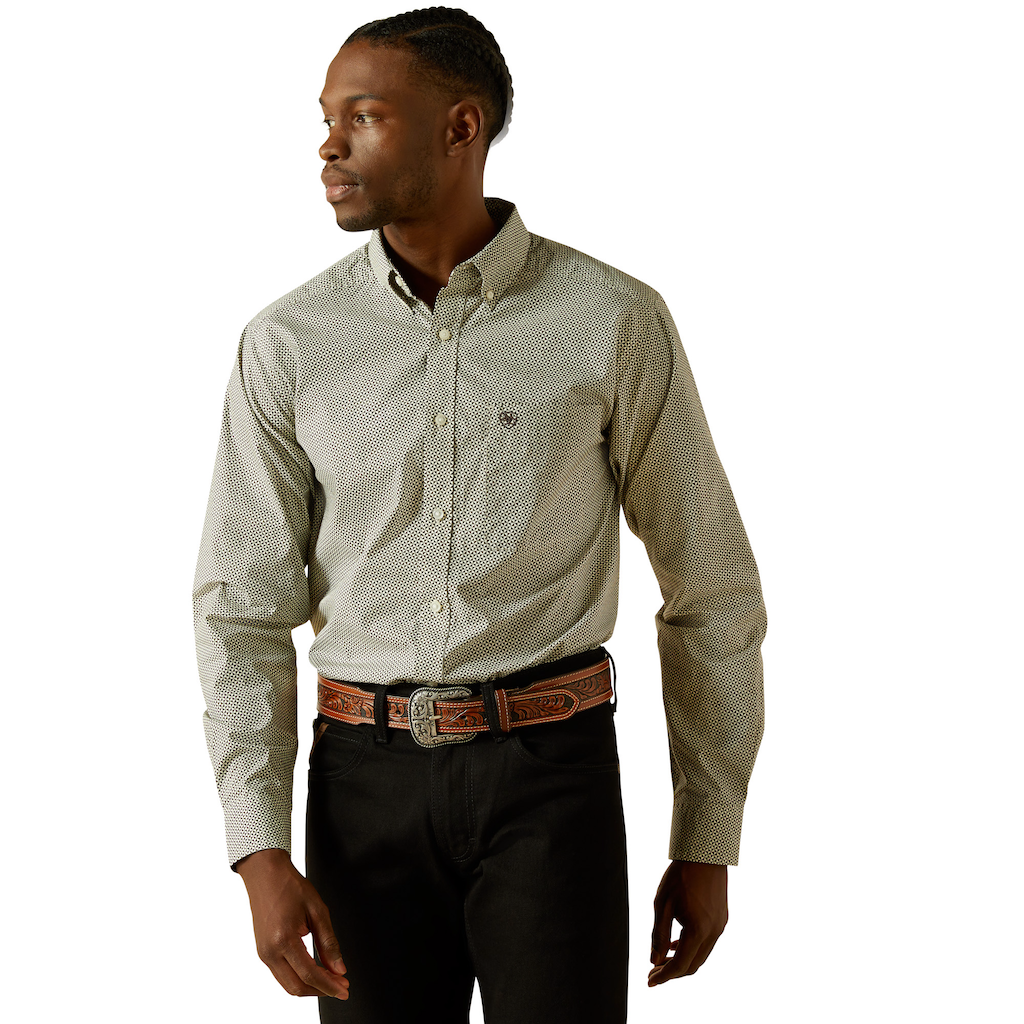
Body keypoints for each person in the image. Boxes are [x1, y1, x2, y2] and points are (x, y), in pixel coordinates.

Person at [191, 8, 767, 1023]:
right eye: (327, 119)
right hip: (360, 794)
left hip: (553, 784)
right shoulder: (288, 343)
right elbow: (240, 606)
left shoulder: (612, 320)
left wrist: (706, 836)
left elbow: (711, 583)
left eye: (364, 117)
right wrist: (259, 847)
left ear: (461, 127)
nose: (329, 146)